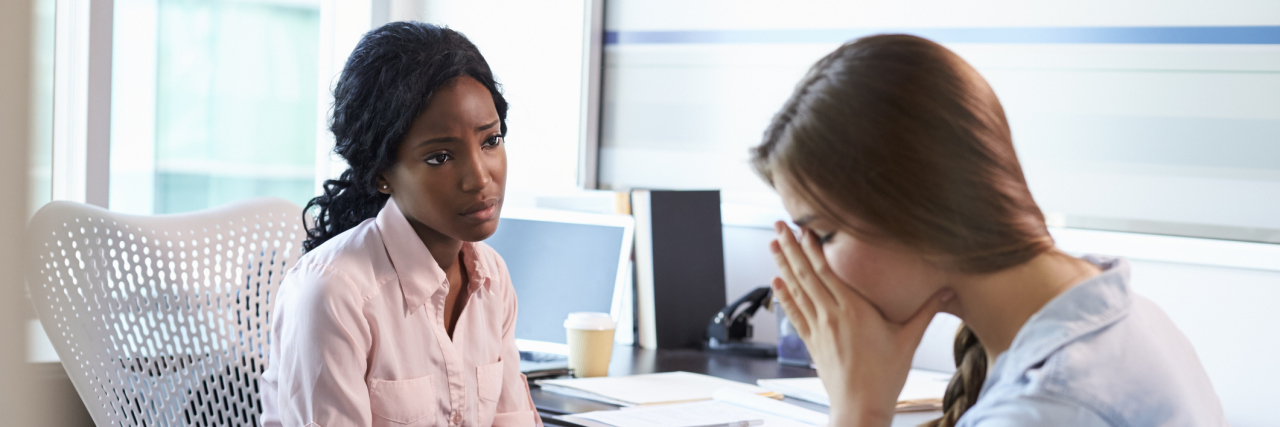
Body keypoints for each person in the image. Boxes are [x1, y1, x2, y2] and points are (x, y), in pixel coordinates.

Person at [753, 34, 1226, 427]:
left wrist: (860, 411)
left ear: (918, 208)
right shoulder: (1117, 310)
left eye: (825, 235)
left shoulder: (1047, 406)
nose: (811, 269)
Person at [260, 22, 542, 427]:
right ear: (381, 174)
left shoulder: (492, 277)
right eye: (440, 157)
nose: (479, 178)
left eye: (490, 141)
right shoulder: (334, 294)